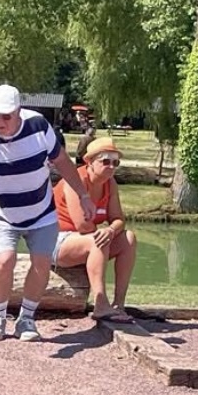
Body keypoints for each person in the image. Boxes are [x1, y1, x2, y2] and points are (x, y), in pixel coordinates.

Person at [0, 83, 96, 342]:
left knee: (42, 263)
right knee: (5, 259)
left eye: (6, 117)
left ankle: (27, 318)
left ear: (18, 112)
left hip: (41, 211)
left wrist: (83, 194)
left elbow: (63, 163)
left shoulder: (38, 125)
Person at [52, 137, 139, 322]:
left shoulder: (111, 184)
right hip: (56, 241)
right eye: (105, 161)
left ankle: (118, 304)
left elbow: (118, 219)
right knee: (96, 240)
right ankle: (101, 304)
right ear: (89, 161)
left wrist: (111, 231)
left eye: (116, 162)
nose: (111, 166)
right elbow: (83, 225)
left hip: (87, 240)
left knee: (129, 238)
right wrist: (104, 234)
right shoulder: (74, 181)